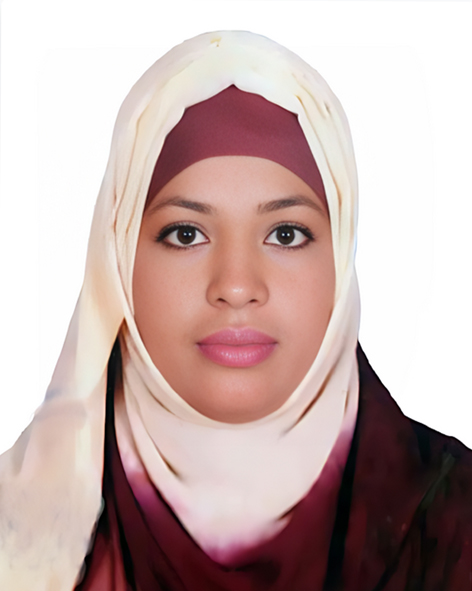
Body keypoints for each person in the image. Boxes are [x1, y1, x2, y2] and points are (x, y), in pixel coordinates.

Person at [0, 30, 471, 591]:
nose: (237, 286)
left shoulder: (453, 518)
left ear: (341, 262)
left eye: (286, 233)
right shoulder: (18, 536)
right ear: (118, 262)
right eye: (185, 233)